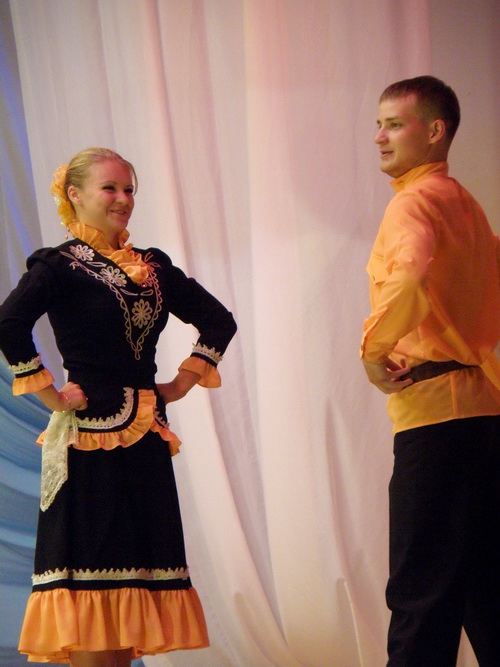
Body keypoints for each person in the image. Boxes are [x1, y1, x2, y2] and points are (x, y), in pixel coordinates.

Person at [0, 147, 237, 666]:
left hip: (145, 441)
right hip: (89, 443)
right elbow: (8, 323)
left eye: (129, 189)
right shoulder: (59, 265)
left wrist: (183, 381)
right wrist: (50, 394)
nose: (123, 199)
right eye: (109, 188)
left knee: (133, 582)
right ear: (75, 195)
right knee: (93, 585)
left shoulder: (154, 267)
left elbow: (220, 321)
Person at [360, 76, 500, 666]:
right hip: (486, 417)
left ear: (435, 131)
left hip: (436, 417)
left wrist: (373, 350)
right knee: (487, 590)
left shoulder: (413, 202)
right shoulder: (467, 206)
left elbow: (411, 273)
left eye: (394, 124)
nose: (379, 136)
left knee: (422, 591)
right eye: (379, 124)